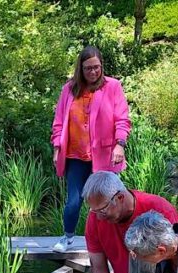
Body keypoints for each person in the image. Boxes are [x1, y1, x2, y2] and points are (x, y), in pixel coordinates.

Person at [51, 46, 131, 253]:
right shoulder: (69, 89)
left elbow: (122, 119)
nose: (93, 72)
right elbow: (59, 122)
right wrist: (56, 149)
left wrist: (120, 145)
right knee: (73, 202)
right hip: (75, 156)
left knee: (108, 201)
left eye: (96, 67)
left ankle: (114, 240)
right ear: (81, 68)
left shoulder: (112, 86)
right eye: (88, 68)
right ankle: (68, 237)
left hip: (104, 155)